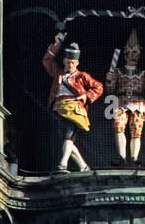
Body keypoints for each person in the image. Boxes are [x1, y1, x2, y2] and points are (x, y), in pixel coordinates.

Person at [43, 33, 103, 172]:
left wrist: (86, 96)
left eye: (73, 63)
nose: (70, 65)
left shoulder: (82, 76)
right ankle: (83, 166)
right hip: (59, 108)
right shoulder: (58, 74)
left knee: (68, 138)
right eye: (68, 62)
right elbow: (47, 60)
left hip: (74, 110)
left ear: (77, 63)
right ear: (64, 61)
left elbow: (98, 86)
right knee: (67, 140)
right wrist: (57, 44)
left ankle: (62, 165)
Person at [107, 31, 145, 165]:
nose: (132, 55)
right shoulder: (118, 71)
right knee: (119, 127)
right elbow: (110, 89)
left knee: (136, 130)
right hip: (120, 102)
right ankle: (122, 157)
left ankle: (135, 158)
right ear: (125, 54)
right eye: (129, 52)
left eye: (135, 52)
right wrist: (109, 80)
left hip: (138, 103)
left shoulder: (143, 73)